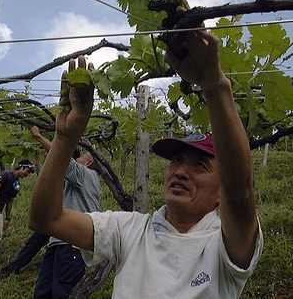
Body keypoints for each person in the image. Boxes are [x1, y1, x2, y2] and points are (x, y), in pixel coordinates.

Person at [27, 28, 263, 297]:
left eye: (200, 166)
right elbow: (44, 219)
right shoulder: (130, 230)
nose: (181, 172)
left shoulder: (223, 244)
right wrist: (64, 139)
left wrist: (216, 87)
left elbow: (241, 192)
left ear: (221, 191)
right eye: (176, 160)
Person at [30, 125, 102, 299]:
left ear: (89, 162)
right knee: (43, 293)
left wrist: (39, 136)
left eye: (81, 157)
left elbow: (60, 158)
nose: (76, 158)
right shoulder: (76, 181)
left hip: (72, 246)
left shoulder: (85, 175)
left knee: (62, 294)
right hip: (58, 243)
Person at [0, 148, 49, 276]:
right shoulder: (7, 176)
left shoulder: (71, 176)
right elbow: (41, 171)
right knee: (34, 243)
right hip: (53, 221)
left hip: (63, 220)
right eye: (27, 172)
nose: (27, 175)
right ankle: (13, 268)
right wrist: (37, 154)